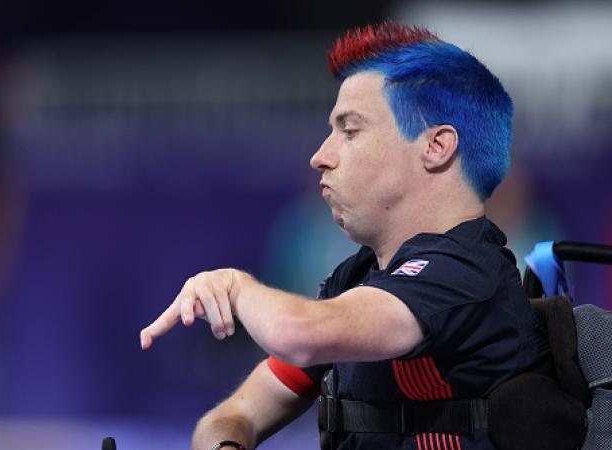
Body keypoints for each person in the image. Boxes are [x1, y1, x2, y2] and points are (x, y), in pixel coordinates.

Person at [140, 22, 548, 450]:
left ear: (436, 146)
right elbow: (235, 414)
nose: (320, 156)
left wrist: (234, 286)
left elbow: (300, 333)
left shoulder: (465, 274)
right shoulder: (357, 280)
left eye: (350, 131)